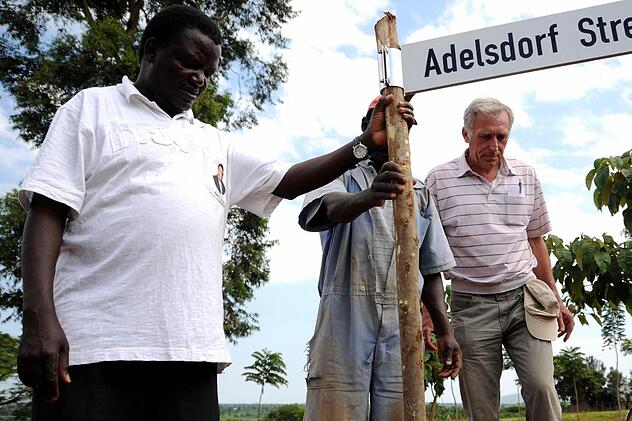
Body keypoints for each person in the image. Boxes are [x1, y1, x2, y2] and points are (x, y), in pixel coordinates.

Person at [16, 5, 415, 420]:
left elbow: (290, 180)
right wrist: (38, 318)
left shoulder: (213, 142)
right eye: (189, 63)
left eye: (207, 71)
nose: (199, 79)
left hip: (190, 354)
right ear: (151, 51)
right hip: (93, 349)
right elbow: (46, 212)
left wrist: (364, 144)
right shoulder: (90, 110)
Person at [298, 99, 462, 421]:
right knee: (335, 412)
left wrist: (445, 330)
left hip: (403, 324)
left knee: (401, 411)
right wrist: (369, 197)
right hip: (344, 316)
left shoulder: (419, 192)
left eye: (403, 129)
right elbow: (318, 213)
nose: (394, 136)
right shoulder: (341, 175)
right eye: (386, 127)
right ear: (367, 126)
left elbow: (429, 270)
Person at [425, 97, 574, 421]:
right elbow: (428, 253)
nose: (495, 145)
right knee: (481, 407)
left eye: (501, 136)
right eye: (485, 136)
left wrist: (556, 299)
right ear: (466, 134)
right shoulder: (439, 180)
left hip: (525, 300)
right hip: (471, 305)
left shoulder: (526, 174)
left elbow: (535, 240)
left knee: (542, 388)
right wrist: (429, 316)